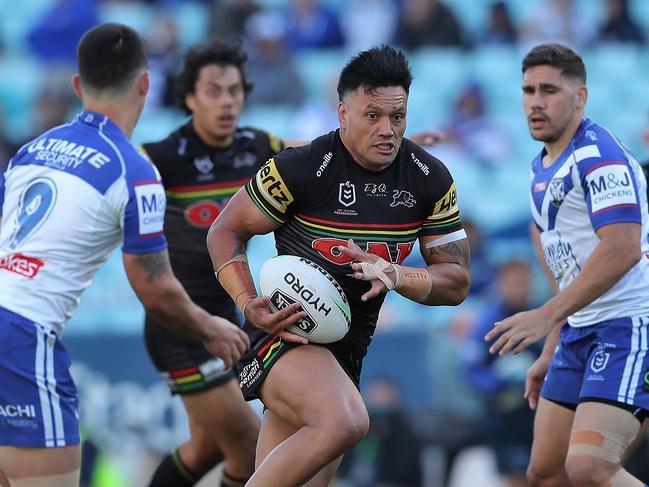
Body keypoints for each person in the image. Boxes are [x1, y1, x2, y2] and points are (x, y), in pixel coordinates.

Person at [207, 44, 471, 487]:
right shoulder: (302, 168)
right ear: (342, 113)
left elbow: (457, 282)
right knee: (347, 422)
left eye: (398, 117)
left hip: (346, 353)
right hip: (284, 333)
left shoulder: (430, 180)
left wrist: (396, 274)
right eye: (373, 116)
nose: (388, 129)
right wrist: (248, 301)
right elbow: (225, 232)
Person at [0, 23, 250, 487]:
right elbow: (154, 289)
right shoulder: (134, 170)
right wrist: (211, 328)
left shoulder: (30, 151)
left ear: (78, 86)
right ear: (145, 83)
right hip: (23, 338)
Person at [140, 39, 303, 487]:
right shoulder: (161, 158)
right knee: (251, 449)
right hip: (180, 324)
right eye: (214, 90)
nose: (227, 100)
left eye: (234, 90)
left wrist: (381, 148)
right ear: (190, 97)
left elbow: (319, 156)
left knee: (204, 449)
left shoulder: (258, 146)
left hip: (230, 315)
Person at [486, 43, 649, 487]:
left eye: (550, 90)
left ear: (580, 98)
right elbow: (568, 276)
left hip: (628, 327)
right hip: (578, 333)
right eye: (528, 90)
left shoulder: (600, 158)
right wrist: (553, 346)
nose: (536, 101)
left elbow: (622, 250)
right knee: (546, 472)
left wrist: (545, 317)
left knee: (591, 469)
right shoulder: (542, 168)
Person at [465, 260, 539, 487]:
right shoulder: (488, 321)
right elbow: (471, 367)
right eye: (513, 282)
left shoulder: (542, 317)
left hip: (540, 411)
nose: (519, 287)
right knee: (516, 477)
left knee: (548, 473)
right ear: (501, 284)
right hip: (506, 417)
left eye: (523, 282)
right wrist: (498, 386)